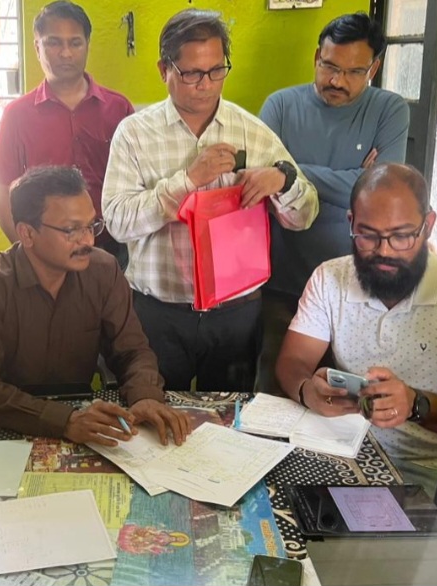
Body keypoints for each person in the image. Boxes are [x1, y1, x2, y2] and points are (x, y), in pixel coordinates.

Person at [102, 8, 319, 392]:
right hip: (157, 311)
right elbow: (117, 220)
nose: (205, 85)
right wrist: (187, 181)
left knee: (230, 417)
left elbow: (305, 215)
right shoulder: (134, 134)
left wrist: (282, 181)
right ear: (164, 69)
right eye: (192, 73)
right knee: (154, 411)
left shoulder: (251, 131)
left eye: (217, 70)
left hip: (236, 314)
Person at [275, 163, 437, 493]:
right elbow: (293, 361)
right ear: (351, 223)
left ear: (428, 226)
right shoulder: (330, 278)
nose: (384, 251)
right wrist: (305, 389)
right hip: (339, 449)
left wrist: (416, 404)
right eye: (368, 235)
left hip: (428, 470)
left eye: (401, 236)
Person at [0, 166, 191, 446]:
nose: (88, 240)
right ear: (27, 234)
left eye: (91, 226)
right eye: (71, 230)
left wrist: (145, 395)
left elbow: (132, 350)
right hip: (6, 421)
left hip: (81, 421)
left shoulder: (103, 271)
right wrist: (63, 421)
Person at [258, 13, 409, 392]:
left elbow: (380, 191)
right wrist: (353, 177)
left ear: (374, 68)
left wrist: (288, 173)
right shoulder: (280, 106)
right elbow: (260, 180)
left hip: (357, 292)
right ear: (316, 57)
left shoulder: (390, 110)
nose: (337, 81)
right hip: (281, 285)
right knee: (275, 398)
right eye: (329, 66)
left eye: (354, 71)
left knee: (350, 400)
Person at [0, 1, 135, 265]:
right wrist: (28, 253)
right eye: (54, 43)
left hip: (113, 251)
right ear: (37, 47)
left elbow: (137, 183)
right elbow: (0, 190)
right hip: (46, 254)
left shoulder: (118, 108)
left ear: (87, 45)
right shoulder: (17, 115)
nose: (66, 53)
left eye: (75, 43)